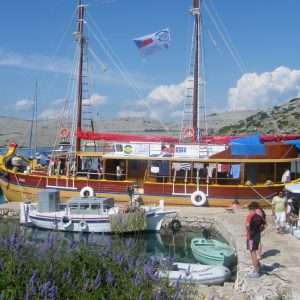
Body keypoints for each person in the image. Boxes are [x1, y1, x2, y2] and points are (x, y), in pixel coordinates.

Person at [246, 202, 266, 278]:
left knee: (253, 254)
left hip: (251, 238)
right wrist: (259, 231)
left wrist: (249, 233)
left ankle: (255, 272)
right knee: (255, 253)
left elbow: (247, 226)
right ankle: (258, 267)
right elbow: (265, 224)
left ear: (249, 209)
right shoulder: (258, 216)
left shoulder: (249, 216)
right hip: (257, 236)